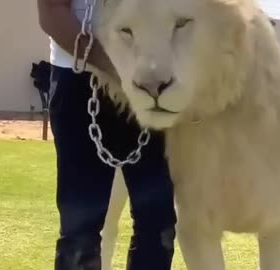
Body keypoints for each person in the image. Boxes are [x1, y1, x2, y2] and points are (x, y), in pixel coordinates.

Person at [36, 1, 177, 269]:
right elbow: (52, 12)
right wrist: (118, 64)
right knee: (80, 230)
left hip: (153, 82)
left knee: (158, 226)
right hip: (79, 78)